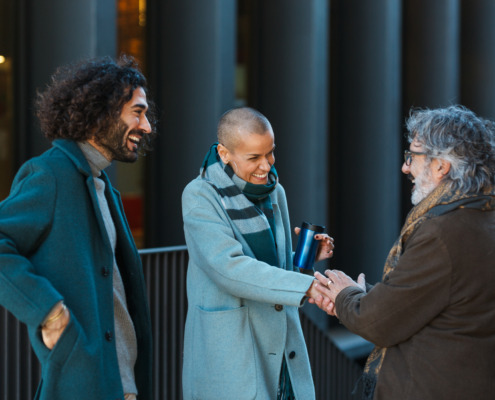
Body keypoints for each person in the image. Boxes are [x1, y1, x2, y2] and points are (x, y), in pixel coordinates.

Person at [311, 105, 495, 400]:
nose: (405, 167)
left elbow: (379, 322)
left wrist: (346, 297)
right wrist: (357, 299)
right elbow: (425, 302)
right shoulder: (482, 217)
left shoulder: (443, 232)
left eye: (412, 156)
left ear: (440, 166)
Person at [0, 56, 155, 400]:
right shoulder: (50, 174)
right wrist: (48, 312)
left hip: (122, 384)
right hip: (82, 385)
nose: (146, 126)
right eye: (137, 112)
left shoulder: (101, 187)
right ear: (103, 113)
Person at [181, 107, 334, 400]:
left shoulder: (275, 192)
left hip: (282, 344)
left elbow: (273, 267)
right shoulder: (200, 195)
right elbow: (229, 268)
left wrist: (304, 259)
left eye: (270, 153)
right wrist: (308, 285)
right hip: (233, 349)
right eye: (254, 157)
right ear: (225, 154)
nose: (266, 166)